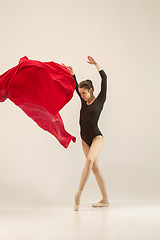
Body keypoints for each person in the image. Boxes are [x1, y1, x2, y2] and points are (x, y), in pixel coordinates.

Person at [62, 56, 109, 211]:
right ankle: (105, 200)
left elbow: (104, 78)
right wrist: (72, 71)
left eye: (84, 93)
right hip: (85, 140)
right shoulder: (83, 100)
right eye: (80, 93)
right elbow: (75, 86)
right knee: (95, 169)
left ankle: (78, 194)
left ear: (91, 91)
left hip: (97, 137)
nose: (81, 95)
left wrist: (96, 64)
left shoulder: (100, 100)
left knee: (89, 161)